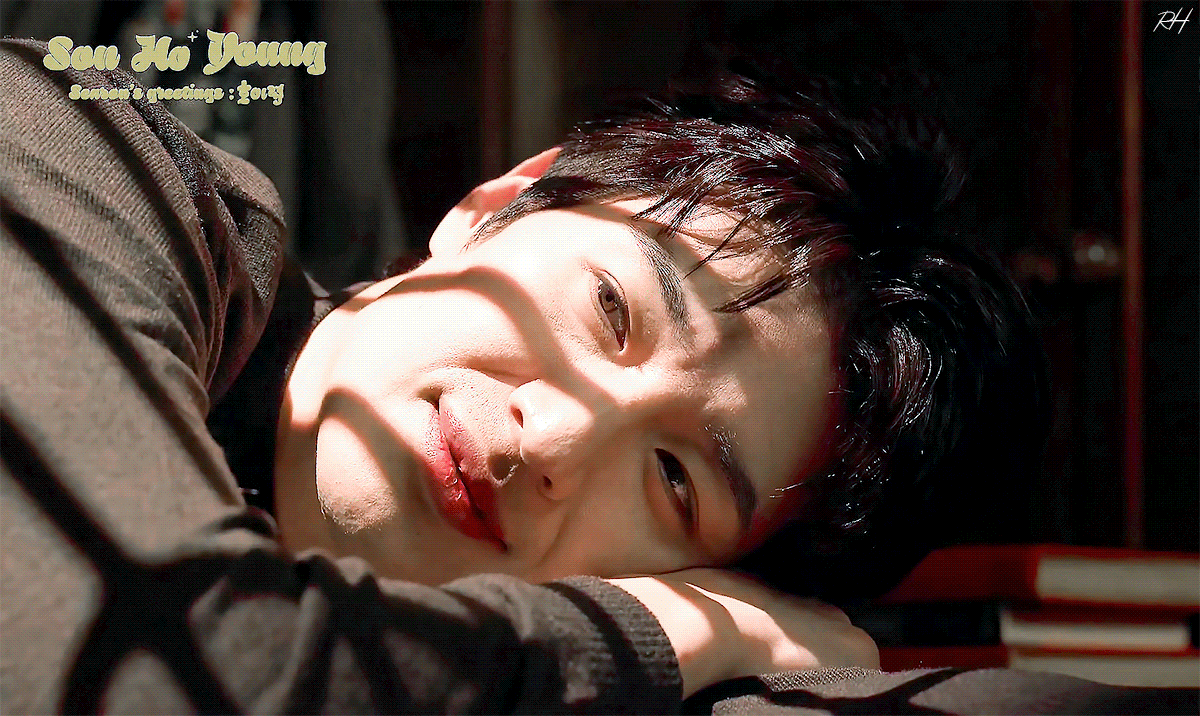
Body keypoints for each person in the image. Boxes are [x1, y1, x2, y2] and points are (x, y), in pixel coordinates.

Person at [2, 38, 1041, 713]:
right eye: (612, 310)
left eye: (675, 480)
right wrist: (665, 636)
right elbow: (150, 668)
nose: (554, 439)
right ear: (496, 203)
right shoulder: (65, 144)